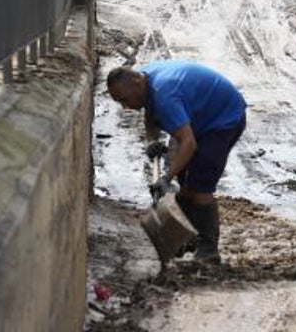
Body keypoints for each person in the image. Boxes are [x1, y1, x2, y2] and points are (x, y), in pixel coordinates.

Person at [106, 60, 247, 262]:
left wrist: (166, 178)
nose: (125, 106)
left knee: (200, 185)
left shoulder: (165, 95)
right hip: (198, 117)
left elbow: (188, 143)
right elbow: (150, 114)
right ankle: (187, 237)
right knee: (185, 179)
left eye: (124, 99)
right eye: (119, 102)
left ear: (137, 82)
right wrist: (153, 140)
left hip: (223, 118)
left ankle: (209, 250)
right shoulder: (146, 82)